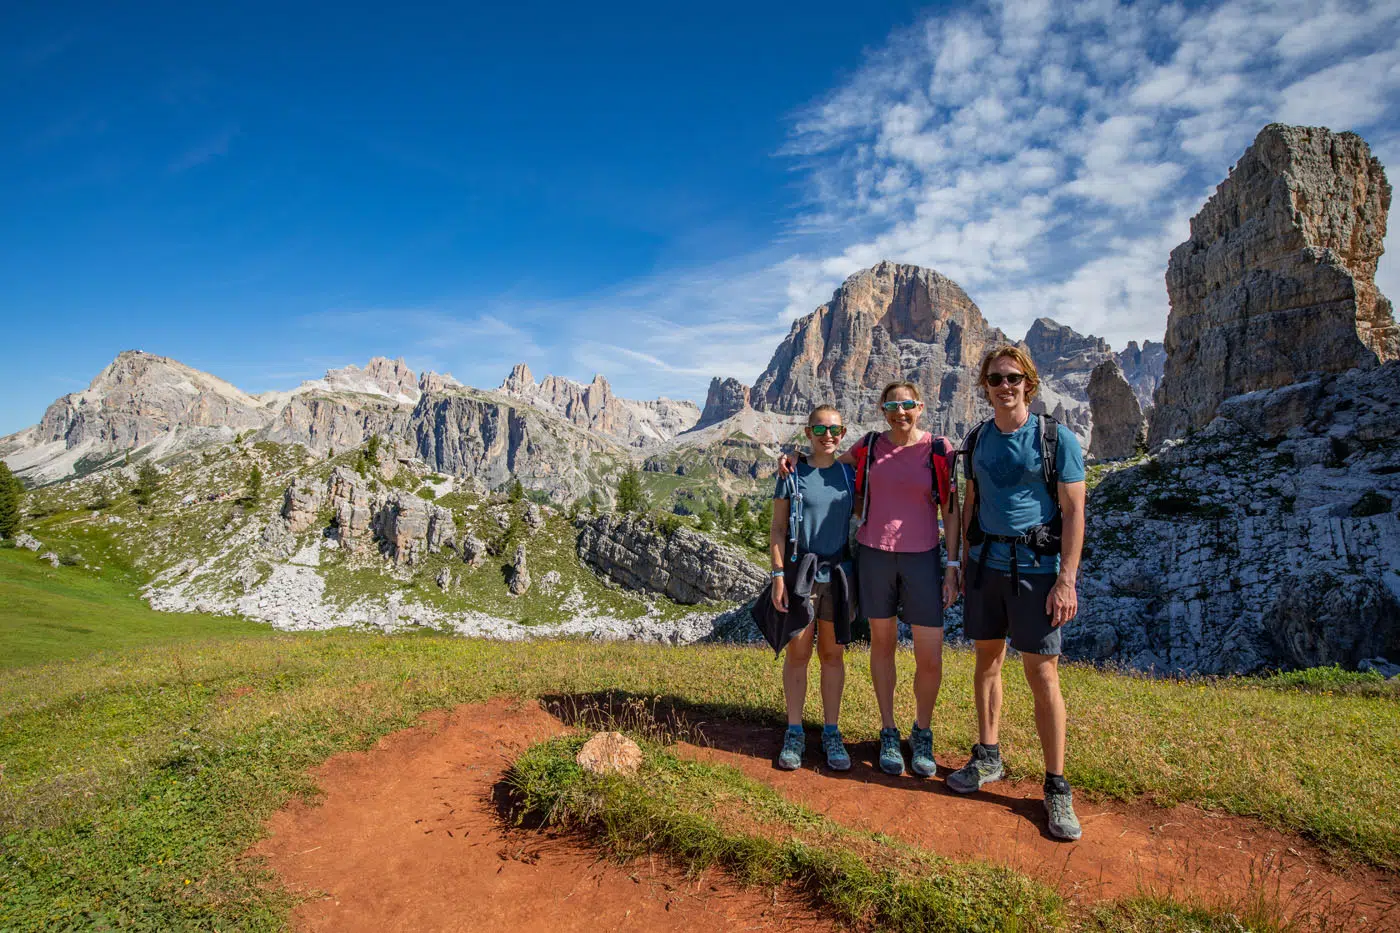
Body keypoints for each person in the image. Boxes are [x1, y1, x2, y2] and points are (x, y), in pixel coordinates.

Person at [780, 382, 960, 778]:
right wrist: (792, 455)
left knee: (929, 655)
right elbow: (822, 461)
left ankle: (922, 732)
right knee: (882, 645)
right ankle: (889, 732)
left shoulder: (939, 449)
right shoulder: (869, 445)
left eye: (908, 404)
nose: (900, 411)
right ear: (882, 408)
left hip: (924, 557)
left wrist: (953, 564)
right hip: (874, 556)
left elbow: (950, 507)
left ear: (921, 405)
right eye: (893, 405)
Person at [946, 346, 1086, 842]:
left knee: (1041, 671)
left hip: (1038, 572)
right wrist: (956, 564)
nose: (1004, 386)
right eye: (995, 379)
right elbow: (970, 503)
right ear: (983, 386)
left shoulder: (1055, 438)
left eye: (1013, 378)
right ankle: (988, 757)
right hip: (986, 568)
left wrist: (1066, 579)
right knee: (987, 661)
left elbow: (1074, 514)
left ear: (1029, 382)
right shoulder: (978, 438)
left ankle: (1056, 786)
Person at [768, 405, 858, 771]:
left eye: (834, 429)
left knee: (832, 655)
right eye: (819, 430)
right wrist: (777, 575)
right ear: (808, 433)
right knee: (799, 654)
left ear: (844, 431)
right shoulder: (791, 472)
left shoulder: (851, 473)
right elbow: (776, 528)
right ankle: (794, 730)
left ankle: (831, 730)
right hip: (800, 573)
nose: (828, 436)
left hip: (838, 573)